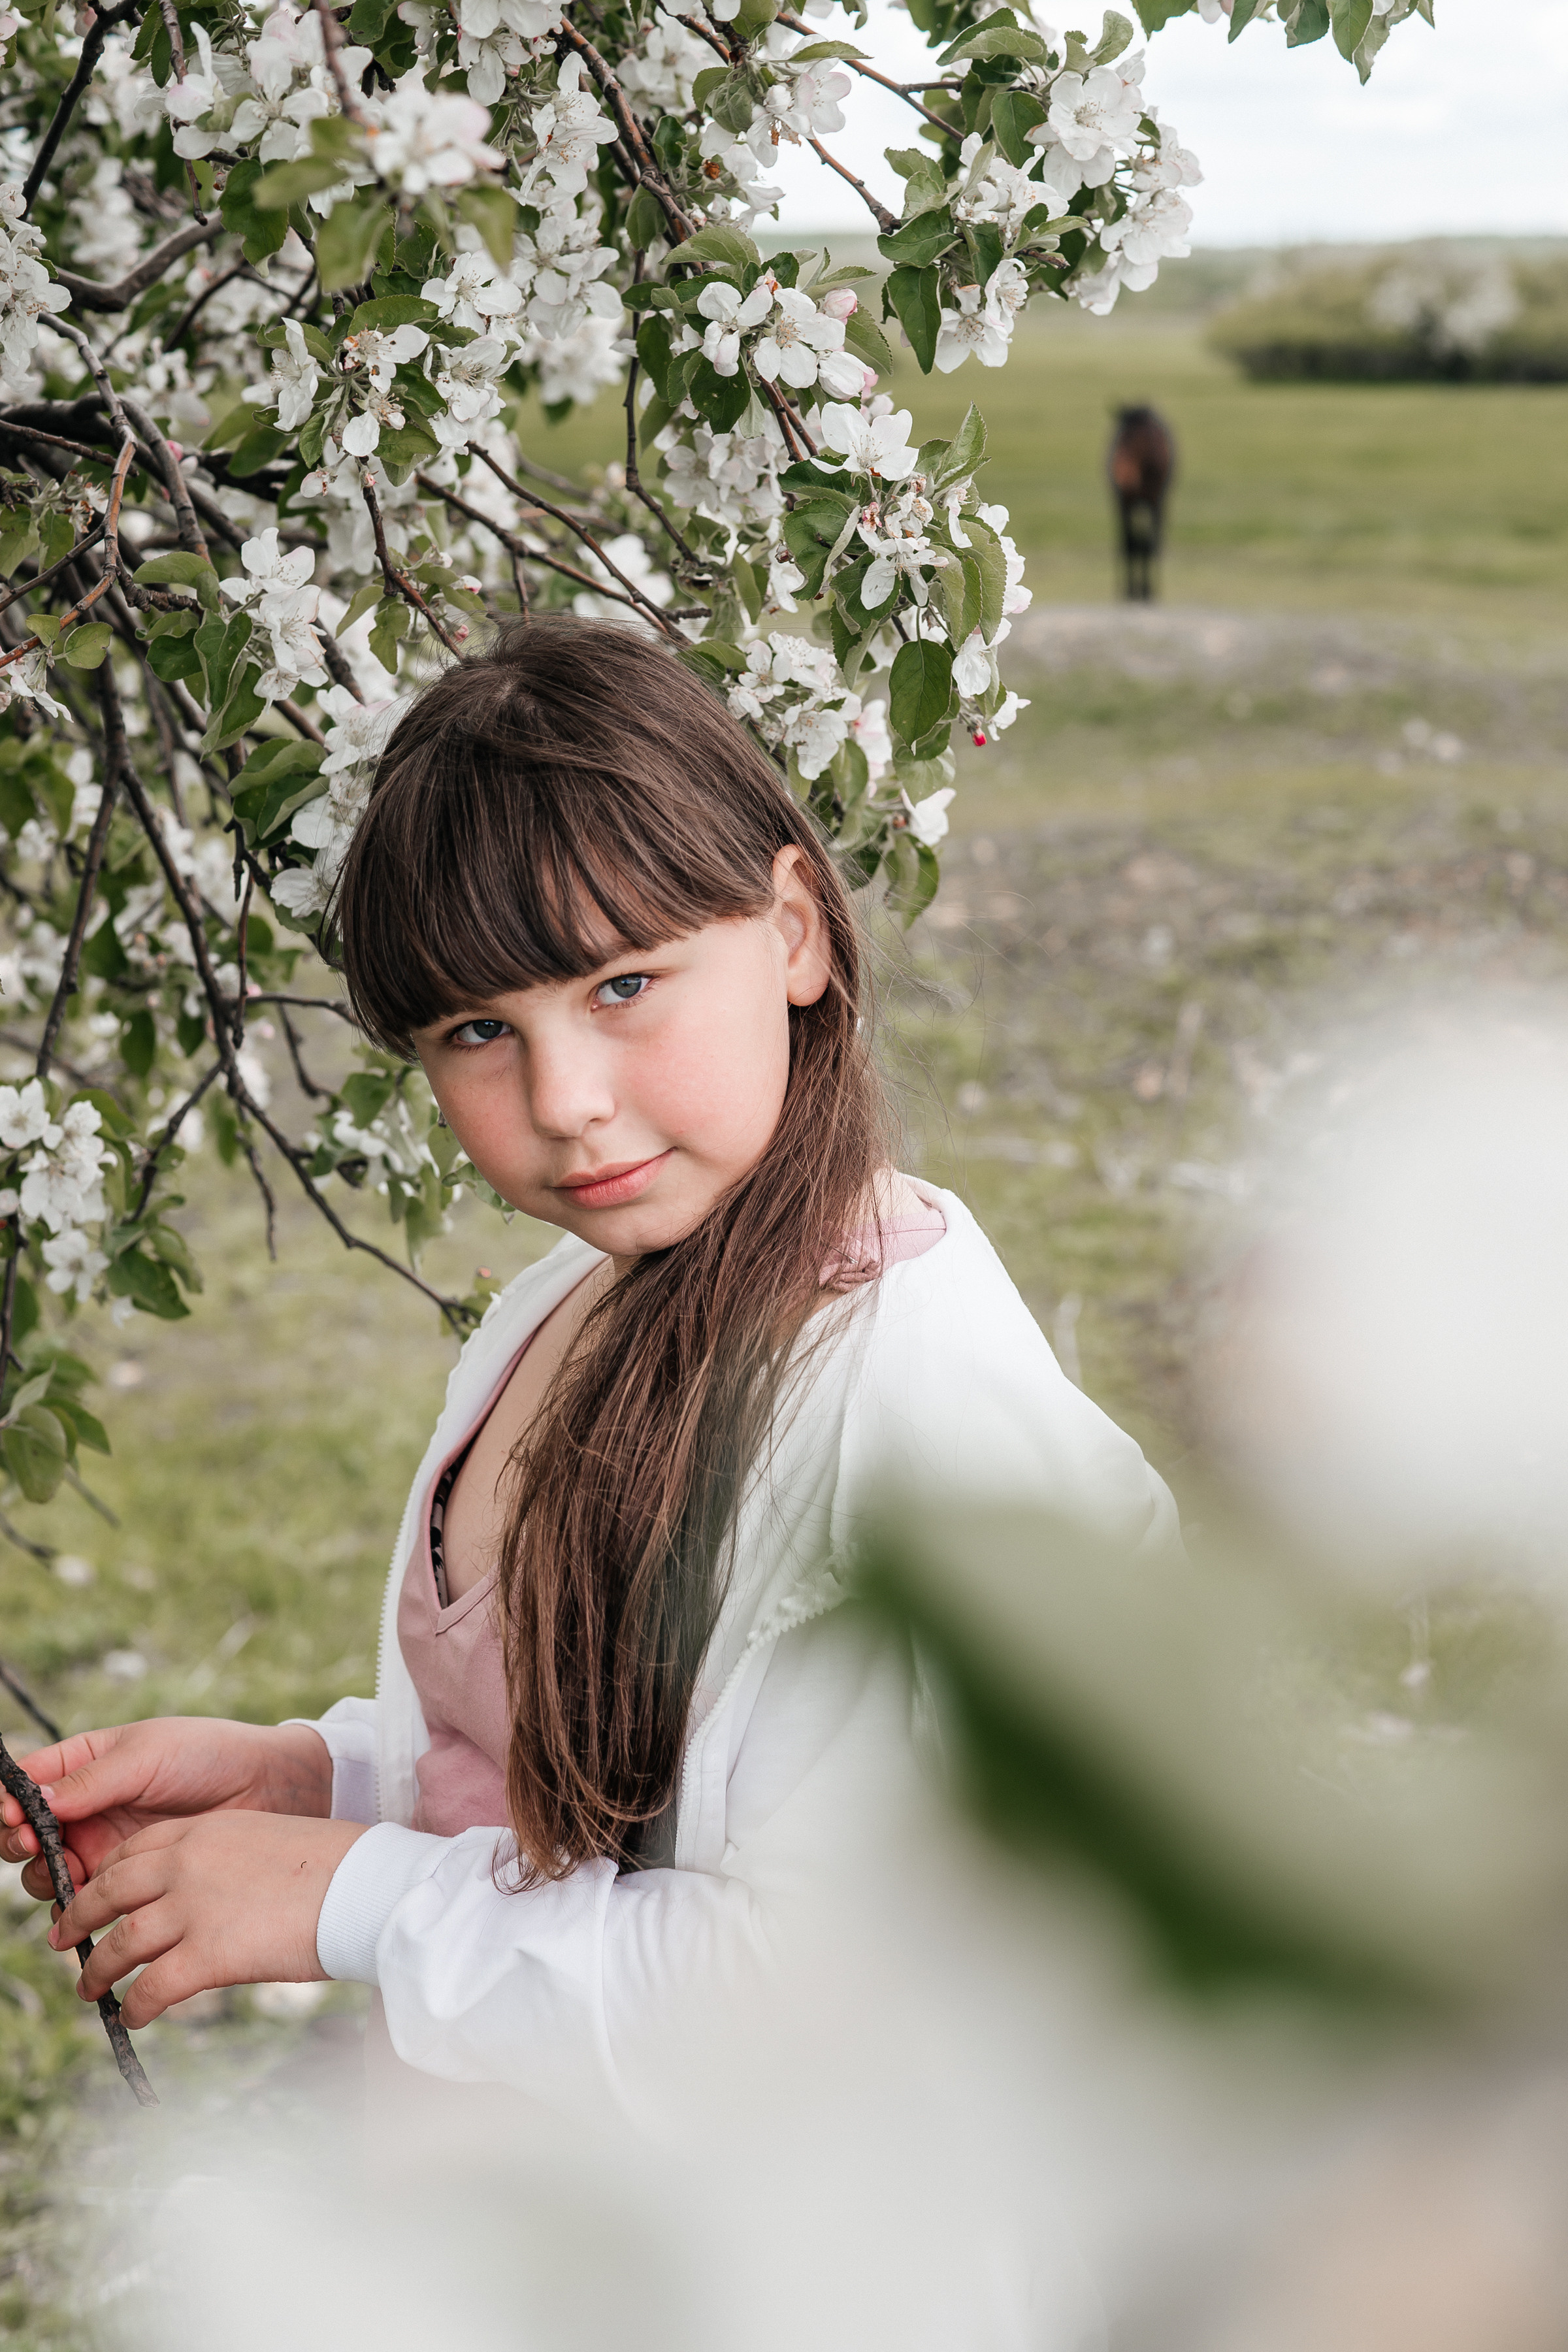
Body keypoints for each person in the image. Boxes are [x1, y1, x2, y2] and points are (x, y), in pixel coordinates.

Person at [0, 618, 1178, 2129]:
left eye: (623, 986)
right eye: (480, 1029)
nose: (564, 1102)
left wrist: (356, 1895)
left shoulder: (911, 1425)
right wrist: (317, 1782)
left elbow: (841, 2005)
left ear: (795, 932)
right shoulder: (571, 1305)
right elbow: (572, 1765)